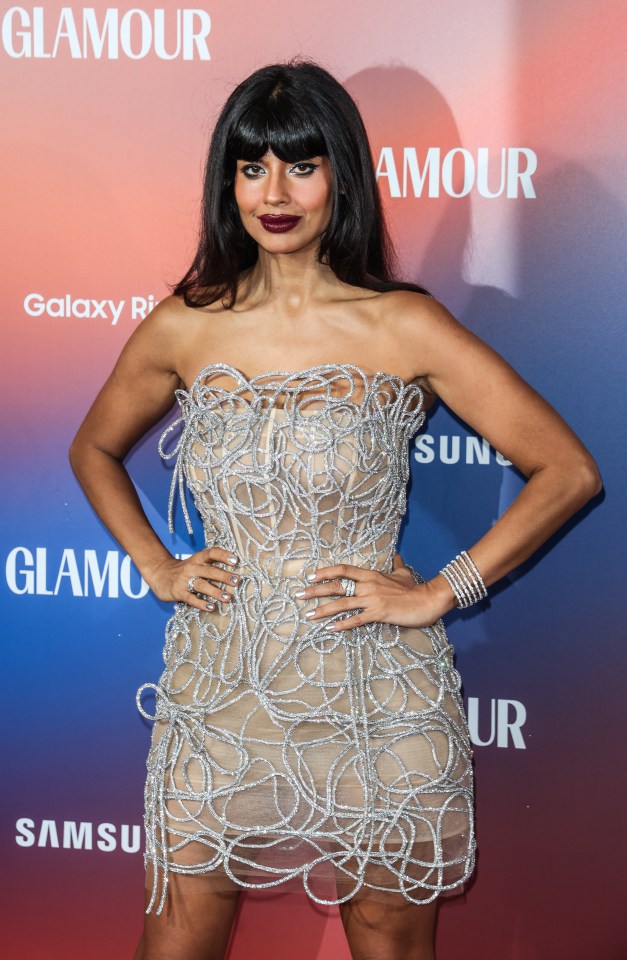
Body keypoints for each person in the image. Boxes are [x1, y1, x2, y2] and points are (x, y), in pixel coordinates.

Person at [68, 59, 601, 960]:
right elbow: (94, 449)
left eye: (300, 164)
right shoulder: (185, 326)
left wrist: (441, 589)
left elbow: (566, 469)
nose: (273, 192)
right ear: (226, 181)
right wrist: (157, 564)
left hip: (378, 693)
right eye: (251, 167)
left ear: (340, 175)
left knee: (391, 946)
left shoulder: (403, 327)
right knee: (173, 942)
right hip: (221, 689)